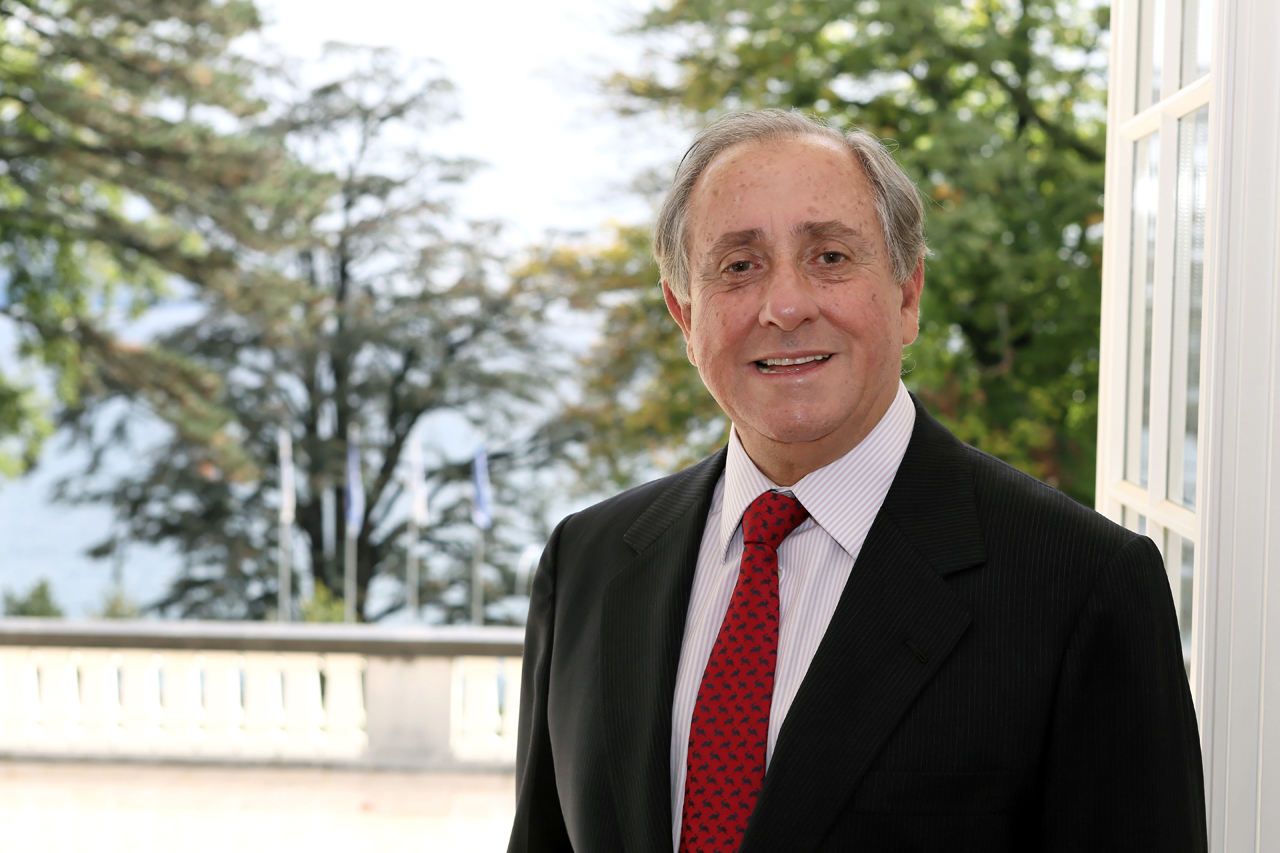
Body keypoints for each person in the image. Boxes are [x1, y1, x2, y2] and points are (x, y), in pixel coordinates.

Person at [507, 109, 1206, 853]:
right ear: (686, 315)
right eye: (739, 266)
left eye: (830, 256)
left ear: (907, 296)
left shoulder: (1082, 586)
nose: (785, 306)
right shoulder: (586, 562)